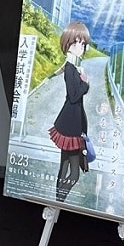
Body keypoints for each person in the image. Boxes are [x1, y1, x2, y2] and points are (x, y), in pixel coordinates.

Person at [48, 20, 91, 203]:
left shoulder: (72, 67)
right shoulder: (70, 69)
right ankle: (60, 201)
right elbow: (74, 96)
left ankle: (56, 203)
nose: (80, 47)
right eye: (75, 43)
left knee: (64, 166)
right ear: (67, 45)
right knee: (74, 173)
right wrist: (86, 84)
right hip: (71, 126)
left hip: (68, 122)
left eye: (82, 43)